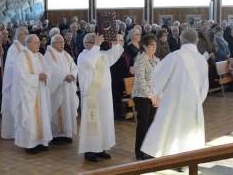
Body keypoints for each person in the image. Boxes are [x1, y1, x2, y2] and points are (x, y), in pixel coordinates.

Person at [141, 29, 209, 160]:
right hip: (193, 104)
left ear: (181, 40)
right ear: (197, 41)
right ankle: (185, 160)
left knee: (168, 128)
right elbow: (204, 85)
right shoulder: (202, 59)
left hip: (173, 102)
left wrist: (156, 95)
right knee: (187, 132)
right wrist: (197, 101)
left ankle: (160, 156)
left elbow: (158, 76)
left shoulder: (175, 56)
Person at [77, 33, 124, 162]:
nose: (95, 45)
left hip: (104, 96)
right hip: (92, 96)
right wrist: (97, 45)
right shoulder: (83, 56)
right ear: (86, 44)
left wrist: (115, 45)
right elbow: (89, 63)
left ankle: (101, 148)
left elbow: (114, 56)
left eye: (95, 42)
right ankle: (90, 150)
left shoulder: (101, 54)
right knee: (92, 123)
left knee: (104, 121)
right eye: (92, 42)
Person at [11, 34, 52, 154]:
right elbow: (21, 76)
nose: (39, 45)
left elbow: (48, 69)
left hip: (41, 92)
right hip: (28, 94)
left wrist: (46, 76)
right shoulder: (22, 57)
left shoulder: (40, 56)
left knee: (42, 116)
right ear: (28, 44)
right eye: (36, 43)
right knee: (30, 118)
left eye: (39, 42)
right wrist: (37, 77)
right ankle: (30, 144)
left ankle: (42, 142)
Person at [44, 34, 79, 144]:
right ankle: (56, 136)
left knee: (68, 110)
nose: (63, 44)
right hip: (57, 89)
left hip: (67, 88)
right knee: (58, 112)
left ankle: (67, 134)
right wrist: (64, 76)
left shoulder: (65, 54)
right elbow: (51, 70)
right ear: (53, 43)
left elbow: (73, 66)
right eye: (60, 42)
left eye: (63, 42)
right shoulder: (49, 55)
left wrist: (72, 75)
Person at [132, 34, 159, 160]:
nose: (154, 47)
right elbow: (141, 80)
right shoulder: (140, 59)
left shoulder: (156, 59)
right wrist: (150, 96)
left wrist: (157, 95)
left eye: (155, 45)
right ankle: (139, 152)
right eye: (151, 45)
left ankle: (148, 149)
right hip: (142, 96)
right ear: (144, 46)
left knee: (151, 124)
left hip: (153, 96)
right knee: (143, 125)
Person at [1, 27, 29, 139]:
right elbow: (12, 66)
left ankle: (21, 131)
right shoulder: (14, 48)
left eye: (27, 33)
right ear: (19, 35)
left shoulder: (24, 47)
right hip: (14, 84)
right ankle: (11, 133)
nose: (27, 36)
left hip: (24, 82)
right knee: (13, 107)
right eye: (25, 34)